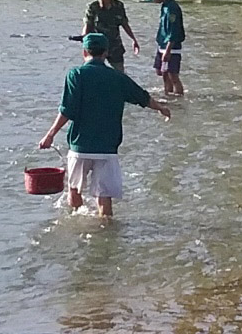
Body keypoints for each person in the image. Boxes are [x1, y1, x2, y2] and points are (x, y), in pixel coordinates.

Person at [38, 33, 171, 217]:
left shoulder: (76, 75)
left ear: (84, 52)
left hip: (80, 146)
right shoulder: (117, 77)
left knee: (74, 190)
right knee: (104, 198)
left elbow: (67, 110)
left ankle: (77, 228)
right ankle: (106, 232)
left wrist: (50, 134)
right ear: (106, 53)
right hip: (107, 148)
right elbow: (142, 97)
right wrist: (161, 108)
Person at [83, 0, 141, 73]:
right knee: (95, 73)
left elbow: (124, 24)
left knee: (119, 73)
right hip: (97, 46)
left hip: (115, 45)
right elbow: (87, 25)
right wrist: (85, 44)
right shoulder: (93, 7)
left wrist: (134, 39)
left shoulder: (118, 6)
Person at [147, 0, 186, 97]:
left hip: (171, 47)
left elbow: (174, 30)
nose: (153, 0)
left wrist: (168, 50)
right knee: (162, 72)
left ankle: (179, 97)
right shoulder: (164, 6)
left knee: (173, 75)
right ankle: (168, 95)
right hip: (162, 45)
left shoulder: (172, 8)